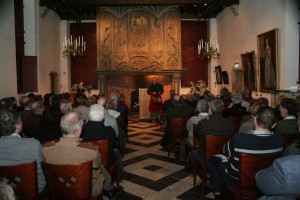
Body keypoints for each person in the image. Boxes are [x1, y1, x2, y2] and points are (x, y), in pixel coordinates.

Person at [207, 106, 283, 199]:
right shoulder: (279, 140)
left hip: (236, 180)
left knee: (213, 159)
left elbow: (225, 151)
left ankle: (217, 192)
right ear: (274, 125)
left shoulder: (240, 139)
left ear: (255, 120)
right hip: (265, 180)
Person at [42, 111, 116, 199]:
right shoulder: (90, 150)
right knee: (101, 166)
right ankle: (109, 187)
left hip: (57, 190)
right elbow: (98, 167)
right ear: (80, 130)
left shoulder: (45, 149)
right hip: (88, 190)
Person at [0, 109, 47, 198]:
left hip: (4, 194)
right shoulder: (33, 144)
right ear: (17, 126)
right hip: (36, 191)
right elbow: (44, 166)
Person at [189, 98, 234, 165]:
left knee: (191, 154)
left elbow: (196, 132)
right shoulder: (230, 123)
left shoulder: (204, 123)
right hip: (224, 154)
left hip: (205, 156)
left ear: (209, 110)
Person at [82, 104, 123, 177]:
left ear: (89, 115)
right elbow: (113, 145)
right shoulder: (109, 131)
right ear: (103, 117)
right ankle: (119, 177)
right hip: (107, 161)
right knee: (117, 152)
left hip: (89, 161)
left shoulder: (83, 131)